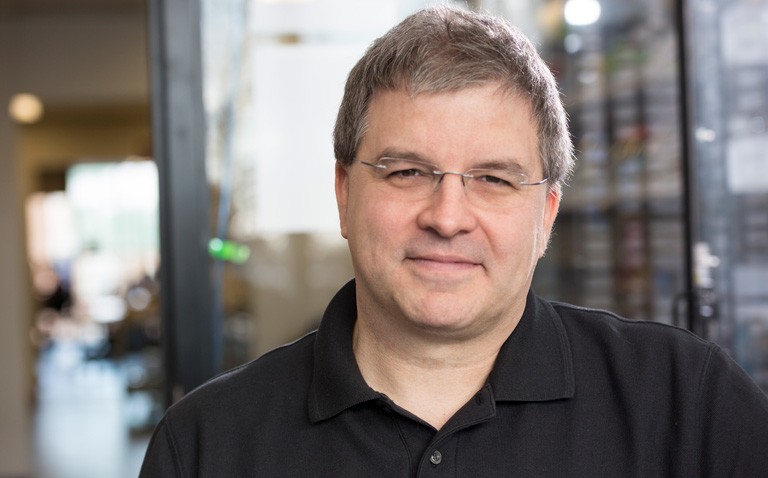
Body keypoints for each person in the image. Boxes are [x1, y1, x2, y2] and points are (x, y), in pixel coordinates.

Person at [140, 6, 768, 476]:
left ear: (546, 215)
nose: (447, 217)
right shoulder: (206, 444)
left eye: (493, 179)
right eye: (407, 172)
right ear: (345, 194)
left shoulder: (691, 407)